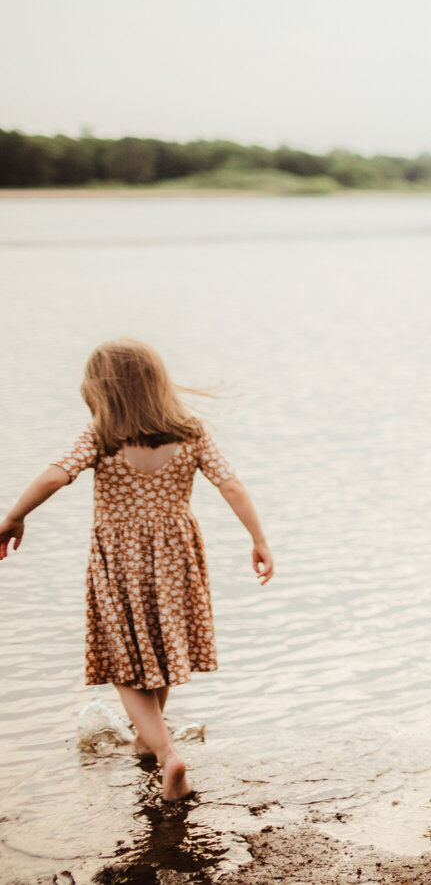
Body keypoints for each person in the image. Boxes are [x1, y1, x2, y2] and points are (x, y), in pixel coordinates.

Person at [0, 338, 272, 801]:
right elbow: (232, 485)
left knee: (127, 666)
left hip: (121, 563)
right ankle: (148, 744)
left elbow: (54, 475)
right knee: (159, 651)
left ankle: (168, 756)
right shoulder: (190, 432)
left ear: (103, 390)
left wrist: (14, 516)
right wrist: (259, 539)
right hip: (177, 560)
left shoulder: (102, 434)